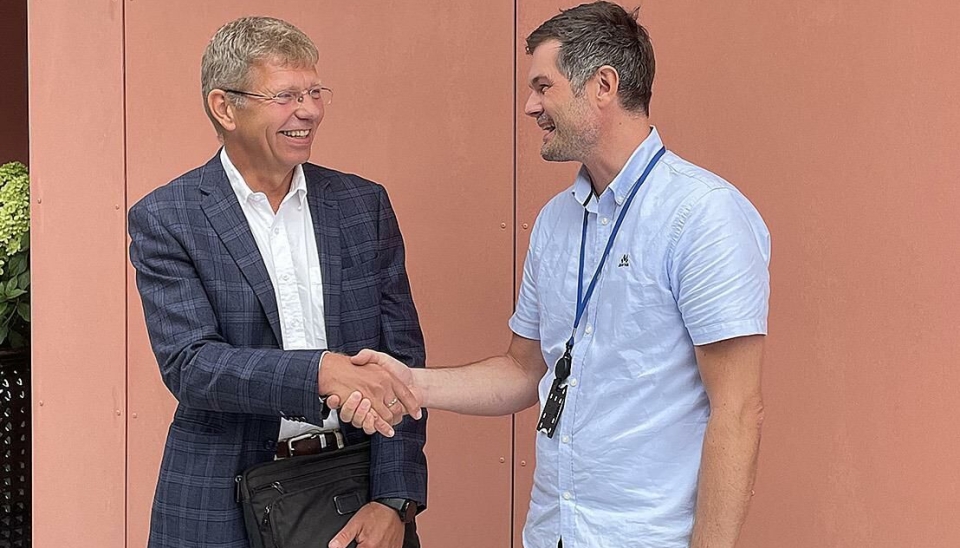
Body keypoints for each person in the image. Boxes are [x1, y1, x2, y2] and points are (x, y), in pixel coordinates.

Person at [339, 2, 770, 547]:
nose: (529, 106)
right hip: (553, 532)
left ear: (603, 86)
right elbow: (524, 371)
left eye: (544, 86)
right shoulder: (555, 222)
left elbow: (737, 412)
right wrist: (409, 382)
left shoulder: (704, 216)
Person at [128, 16, 426, 548]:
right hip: (216, 502)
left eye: (314, 91)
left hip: (354, 494)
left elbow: (401, 363)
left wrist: (394, 500)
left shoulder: (363, 206)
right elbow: (191, 365)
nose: (309, 110)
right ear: (224, 107)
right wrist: (320, 372)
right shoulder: (166, 217)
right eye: (286, 95)